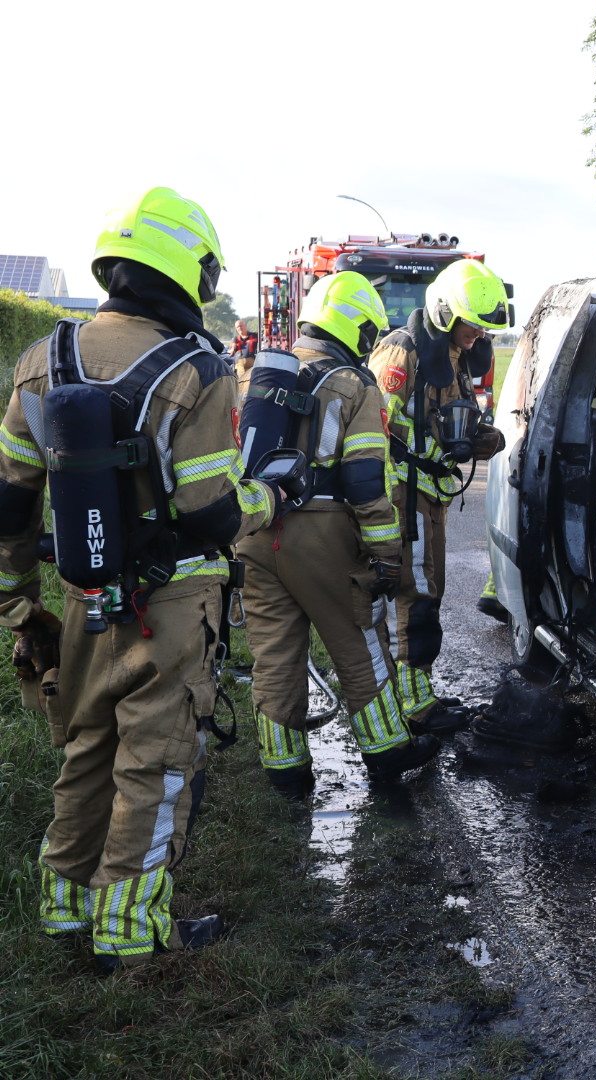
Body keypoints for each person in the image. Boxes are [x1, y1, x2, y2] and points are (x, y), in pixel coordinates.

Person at [0, 187, 292, 973]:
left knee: (88, 748)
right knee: (156, 765)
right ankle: (131, 932)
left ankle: (65, 908)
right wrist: (271, 498)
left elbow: (10, 503)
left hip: (81, 596)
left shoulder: (40, 361)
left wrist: (19, 606)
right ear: (189, 272)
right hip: (170, 606)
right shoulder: (197, 369)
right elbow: (211, 511)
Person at [237, 271, 440, 794]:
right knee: (358, 642)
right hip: (322, 536)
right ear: (359, 329)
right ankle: (388, 750)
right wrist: (386, 552)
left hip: (256, 531)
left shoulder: (259, 376)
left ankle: (285, 769)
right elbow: (365, 480)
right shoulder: (355, 385)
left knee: (274, 655)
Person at [367, 259, 507, 734]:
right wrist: (433, 454)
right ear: (447, 312)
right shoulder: (401, 352)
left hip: (431, 494)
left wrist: (478, 438)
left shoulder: (453, 353)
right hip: (403, 495)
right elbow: (375, 428)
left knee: (430, 590)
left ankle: (417, 690)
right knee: (415, 596)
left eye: (483, 327)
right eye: (472, 324)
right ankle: (413, 704)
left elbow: (448, 417)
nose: (478, 334)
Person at [231, 318, 259, 386]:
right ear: (236, 329)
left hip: (252, 363)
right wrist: (232, 349)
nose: (240, 328)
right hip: (240, 365)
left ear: (245, 326)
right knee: (241, 383)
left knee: (252, 382)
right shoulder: (235, 339)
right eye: (238, 327)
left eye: (241, 326)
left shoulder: (255, 336)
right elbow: (231, 351)